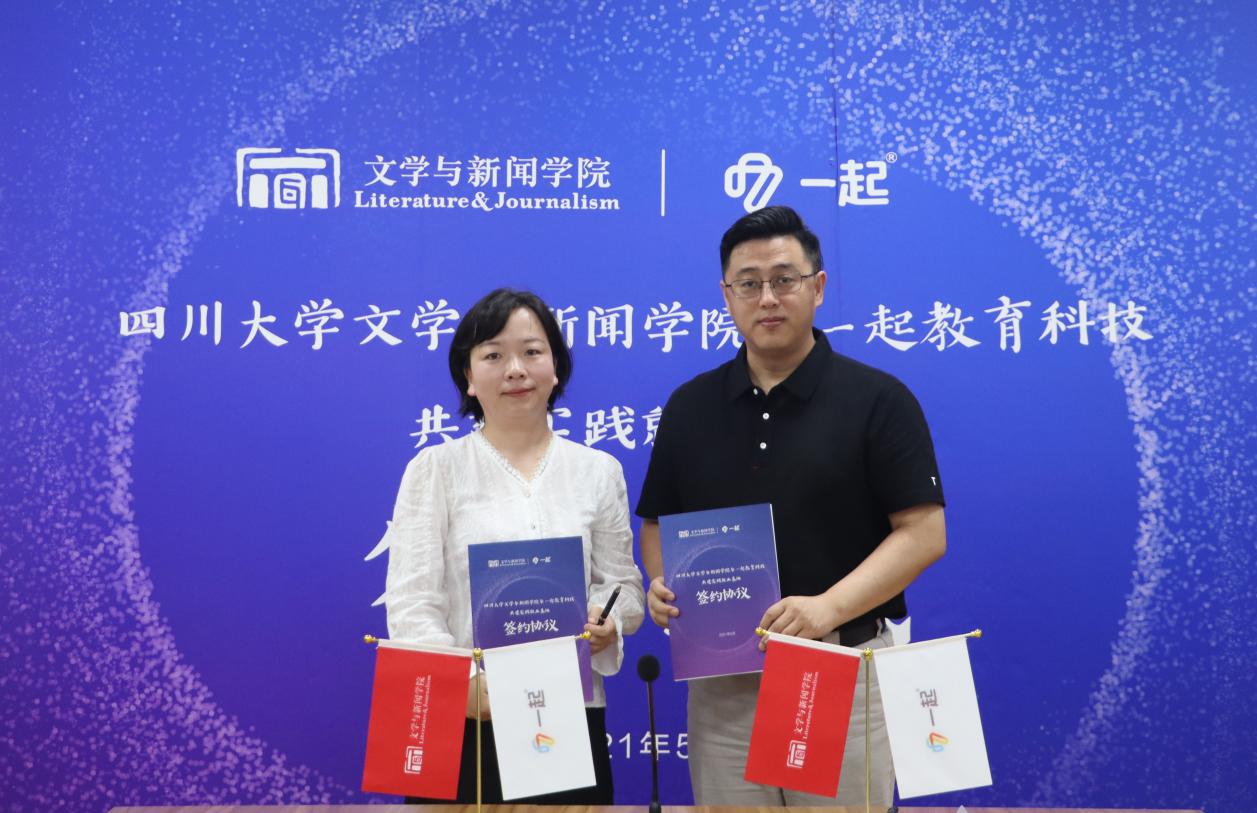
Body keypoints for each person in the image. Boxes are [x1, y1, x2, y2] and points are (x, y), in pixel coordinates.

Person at [636, 205, 946, 807]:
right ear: (726, 295)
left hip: (837, 666)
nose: (767, 298)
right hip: (724, 677)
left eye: (785, 279)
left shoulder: (879, 400)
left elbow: (924, 532)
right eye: (748, 283)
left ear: (818, 287)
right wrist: (660, 582)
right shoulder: (690, 407)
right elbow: (658, 525)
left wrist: (827, 608)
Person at [382, 288, 644, 804]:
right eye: (494, 356)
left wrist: (608, 619)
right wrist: (464, 684)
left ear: (555, 367)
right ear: (468, 376)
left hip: (563, 711)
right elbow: (412, 603)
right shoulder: (435, 470)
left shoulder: (597, 471)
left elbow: (624, 586)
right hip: (461, 714)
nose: (516, 370)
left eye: (532, 351)